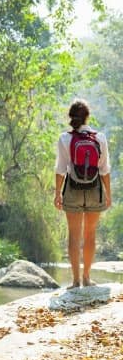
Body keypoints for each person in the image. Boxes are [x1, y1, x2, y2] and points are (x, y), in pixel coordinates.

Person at [54, 98, 111, 289]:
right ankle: (87, 278)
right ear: (88, 117)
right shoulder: (99, 138)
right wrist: (108, 194)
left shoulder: (65, 138)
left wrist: (57, 194)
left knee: (73, 234)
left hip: (72, 189)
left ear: (70, 117)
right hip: (95, 188)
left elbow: (61, 169)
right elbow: (104, 169)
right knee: (90, 235)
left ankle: (75, 280)